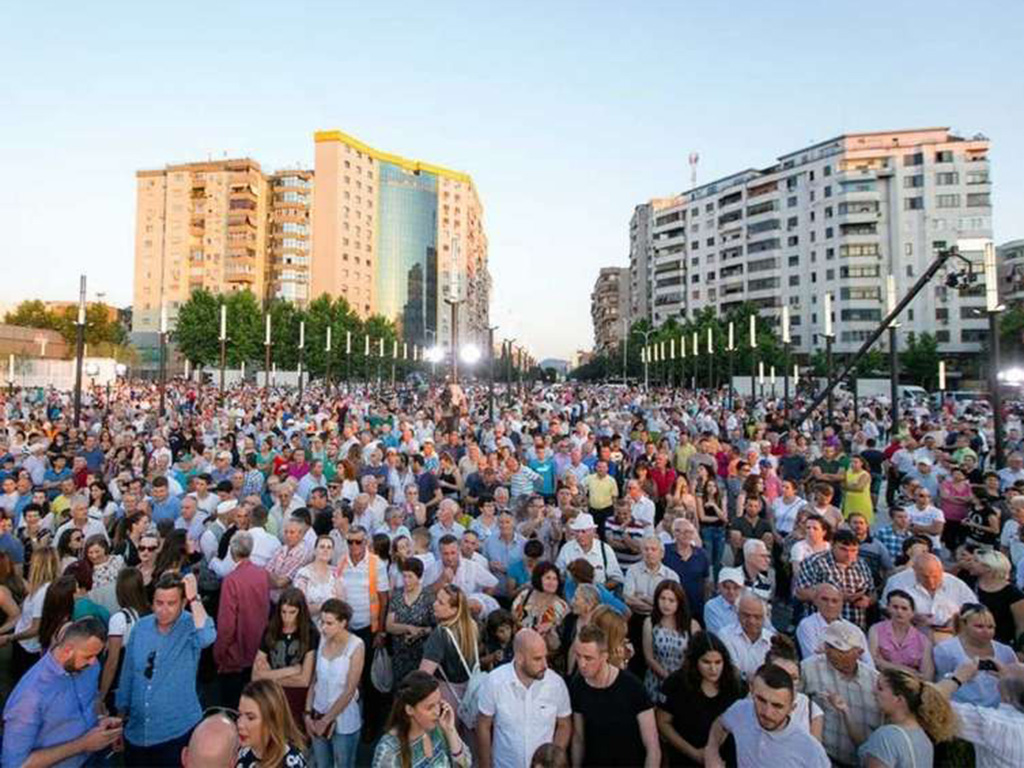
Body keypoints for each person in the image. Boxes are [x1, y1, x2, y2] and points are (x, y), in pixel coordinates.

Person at [116, 572, 216, 766]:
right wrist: (120, 718)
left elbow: (207, 637)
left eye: (171, 603)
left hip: (177, 732)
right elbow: (128, 674)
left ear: (183, 603)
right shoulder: (141, 628)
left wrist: (195, 598)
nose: (164, 610)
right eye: (159, 603)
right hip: (137, 733)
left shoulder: (191, 625)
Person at [2, 617, 124, 768]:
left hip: (93, 759)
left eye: (96, 655)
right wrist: (83, 744)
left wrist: (101, 721)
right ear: (67, 650)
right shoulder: (30, 696)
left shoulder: (90, 666)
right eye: (88, 656)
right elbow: (16, 764)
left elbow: (91, 701)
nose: (94, 662)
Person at [477, 629, 572, 768]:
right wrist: (486, 765)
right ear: (520, 658)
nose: (545, 665)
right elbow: (483, 726)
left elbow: (564, 725)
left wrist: (552, 762)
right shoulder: (495, 681)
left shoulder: (556, 684)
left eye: (545, 657)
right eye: (537, 659)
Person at [704, 663, 830, 768]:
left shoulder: (810, 750)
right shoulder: (741, 710)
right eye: (761, 700)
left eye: (777, 706)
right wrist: (712, 751)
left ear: (792, 708)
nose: (767, 712)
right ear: (752, 691)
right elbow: (720, 723)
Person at [569, 624, 661, 768]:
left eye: (588, 658)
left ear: (604, 656)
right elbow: (578, 738)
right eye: (578, 656)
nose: (582, 664)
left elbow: (652, 746)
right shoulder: (578, 685)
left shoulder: (632, 687)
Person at [832, 668, 958, 768]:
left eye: (880, 688)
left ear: (899, 699)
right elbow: (867, 746)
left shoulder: (886, 736)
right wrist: (845, 711)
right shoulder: (922, 736)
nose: (874, 691)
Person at [656, 630, 744, 766]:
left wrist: (712, 753)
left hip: (724, 759)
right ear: (694, 661)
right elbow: (663, 722)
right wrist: (694, 753)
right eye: (706, 662)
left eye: (718, 662)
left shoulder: (733, 684)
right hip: (684, 758)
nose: (713, 669)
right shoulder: (675, 683)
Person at [800, 621, 881, 766]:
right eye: (830, 646)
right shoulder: (808, 668)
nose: (833, 653)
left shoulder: (875, 680)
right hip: (826, 760)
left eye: (841, 650)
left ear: (859, 652)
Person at [214, 530, 271, 708]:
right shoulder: (262, 574)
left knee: (232, 705)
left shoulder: (231, 580)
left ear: (232, 551)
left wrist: (219, 652)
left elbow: (226, 623)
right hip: (258, 648)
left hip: (235, 654)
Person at [372, 670, 471, 768]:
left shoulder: (439, 729)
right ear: (410, 709)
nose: (437, 712)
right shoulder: (390, 750)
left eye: (438, 703)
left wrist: (450, 731)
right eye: (429, 707)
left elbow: (465, 764)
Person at [253, 587, 318, 726]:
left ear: (301, 611)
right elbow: (255, 676)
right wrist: (292, 670)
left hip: (297, 701)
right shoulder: (271, 629)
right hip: (271, 698)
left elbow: (304, 680)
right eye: (283, 612)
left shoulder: (310, 633)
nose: (287, 617)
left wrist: (268, 676)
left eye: (292, 612)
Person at [933, 602, 1017, 708]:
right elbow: (941, 682)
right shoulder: (945, 649)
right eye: (979, 626)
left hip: (999, 710)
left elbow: (1017, 686)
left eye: (990, 627)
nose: (986, 631)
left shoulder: (1006, 651)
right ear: (964, 625)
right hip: (961, 708)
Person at [882, 553, 977, 640]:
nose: (931, 582)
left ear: (941, 570)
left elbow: (975, 610)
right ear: (914, 570)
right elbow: (884, 610)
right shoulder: (897, 582)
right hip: (909, 635)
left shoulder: (956, 584)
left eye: (935, 576)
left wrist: (957, 622)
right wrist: (909, 616)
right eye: (925, 577)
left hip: (949, 635)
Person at [794, 529, 875, 630]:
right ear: (832, 545)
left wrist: (868, 601)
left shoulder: (861, 564)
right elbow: (800, 593)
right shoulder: (815, 562)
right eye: (843, 549)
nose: (849, 555)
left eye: (853, 551)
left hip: (854, 627)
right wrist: (836, 596)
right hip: (822, 627)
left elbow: (872, 593)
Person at [98, 567, 151, 709]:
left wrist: (101, 695)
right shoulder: (150, 613)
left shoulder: (119, 619)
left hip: (123, 682)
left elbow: (112, 662)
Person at [642, 580, 699, 704]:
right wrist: (668, 678)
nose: (666, 604)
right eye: (662, 599)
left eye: (671, 600)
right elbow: (649, 658)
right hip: (656, 680)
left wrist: (681, 680)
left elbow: (696, 656)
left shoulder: (692, 625)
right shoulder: (650, 622)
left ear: (679, 602)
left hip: (684, 681)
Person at [796, 583, 873, 666]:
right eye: (824, 599)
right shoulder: (807, 625)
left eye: (835, 601)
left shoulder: (854, 629)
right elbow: (813, 660)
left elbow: (869, 664)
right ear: (816, 601)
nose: (830, 605)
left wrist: (828, 653)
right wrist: (851, 656)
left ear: (842, 604)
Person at [386, 556, 436, 684]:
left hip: (421, 656)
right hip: (399, 656)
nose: (406, 581)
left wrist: (419, 632)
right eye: (404, 576)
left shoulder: (428, 597)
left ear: (419, 577)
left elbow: (435, 627)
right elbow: (389, 625)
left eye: (410, 577)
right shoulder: (397, 595)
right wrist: (408, 628)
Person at [237, 678, 308, 767]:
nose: (240, 724)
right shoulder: (241, 753)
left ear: (272, 721)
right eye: (239, 714)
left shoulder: (291, 762)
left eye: (250, 718)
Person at [868, 589, 935, 680]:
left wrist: (883, 663)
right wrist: (907, 670)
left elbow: (927, 676)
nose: (899, 611)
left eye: (904, 608)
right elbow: (872, 660)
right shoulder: (876, 630)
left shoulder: (923, 641)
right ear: (888, 608)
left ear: (912, 613)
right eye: (895, 607)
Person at [510, 561, 570, 655]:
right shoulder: (524, 595)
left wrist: (550, 627)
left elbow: (562, 637)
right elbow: (513, 617)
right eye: (548, 578)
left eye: (555, 579)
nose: (552, 582)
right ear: (538, 579)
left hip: (546, 653)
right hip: (520, 649)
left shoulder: (562, 606)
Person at [973, 548, 1024, 645]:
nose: (971, 563)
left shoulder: (1013, 593)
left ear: (988, 567)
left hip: (1003, 642)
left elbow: (1021, 625)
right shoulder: (970, 584)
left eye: (976, 561)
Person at [720, 593, 775, 680]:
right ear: (737, 614)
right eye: (746, 615)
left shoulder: (772, 640)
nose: (751, 621)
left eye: (757, 617)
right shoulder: (725, 635)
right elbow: (733, 672)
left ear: (765, 617)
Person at [703, 567, 745, 634]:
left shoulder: (749, 604)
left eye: (736, 588)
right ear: (719, 586)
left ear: (742, 588)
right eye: (727, 587)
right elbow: (718, 635)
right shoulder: (711, 606)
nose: (731, 592)